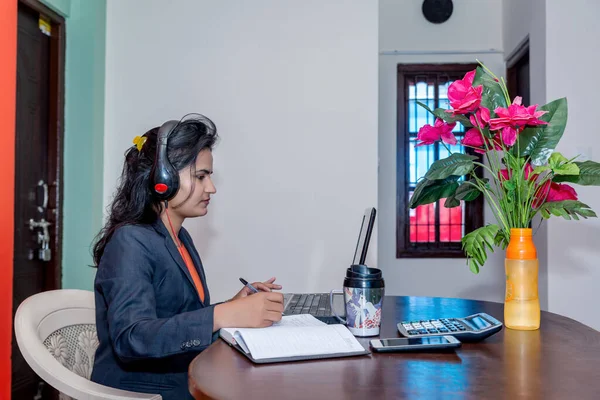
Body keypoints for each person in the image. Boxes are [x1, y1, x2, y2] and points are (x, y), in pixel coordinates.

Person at [90, 114, 284, 399]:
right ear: (163, 179)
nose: (211, 188)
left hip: (183, 378)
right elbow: (132, 338)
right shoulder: (130, 241)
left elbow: (176, 318)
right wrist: (221, 315)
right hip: (143, 392)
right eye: (201, 176)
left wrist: (232, 307)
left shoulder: (179, 237)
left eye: (209, 176)